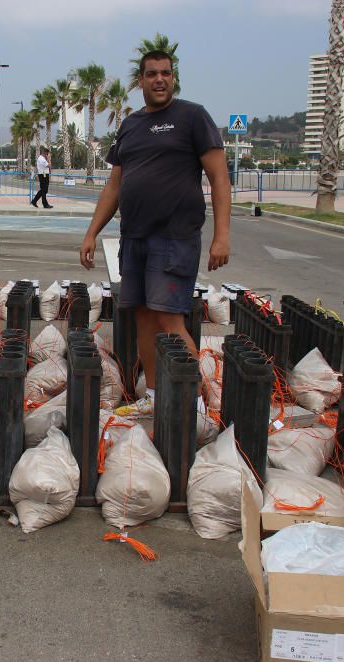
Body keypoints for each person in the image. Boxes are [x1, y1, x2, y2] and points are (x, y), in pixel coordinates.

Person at [79, 49, 231, 417]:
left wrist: (221, 235)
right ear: (141, 81)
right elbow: (114, 186)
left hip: (174, 237)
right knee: (142, 318)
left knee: (169, 319)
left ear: (173, 78)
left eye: (165, 73)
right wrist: (91, 233)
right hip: (134, 238)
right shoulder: (130, 125)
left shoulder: (192, 117)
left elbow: (219, 176)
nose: (159, 79)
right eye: (151, 74)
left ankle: (191, 400)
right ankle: (153, 395)